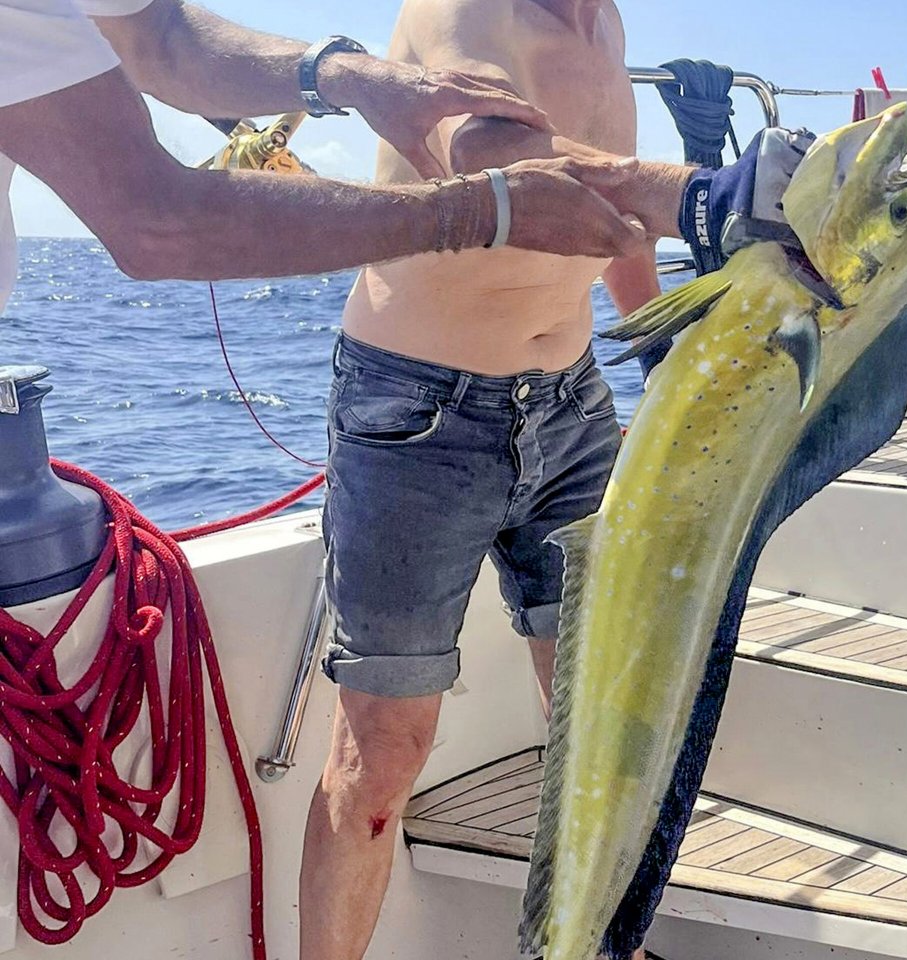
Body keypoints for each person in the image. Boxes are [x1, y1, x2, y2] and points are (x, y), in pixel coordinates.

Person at [300, 1, 815, 958]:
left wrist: (662, 346)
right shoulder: (466, 11)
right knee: (381, 758)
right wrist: (700, 191)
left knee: (603, 714)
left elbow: (608, 225)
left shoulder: (602, 23)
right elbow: (491, 156)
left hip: (574, 409)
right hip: (421, 421)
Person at [0, 0, 656, 325]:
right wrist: (473, 210)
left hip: (572, 392)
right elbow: (153, 223)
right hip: (430, 406)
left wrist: (345, 74)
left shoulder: (606, 25)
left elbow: (161, 40)